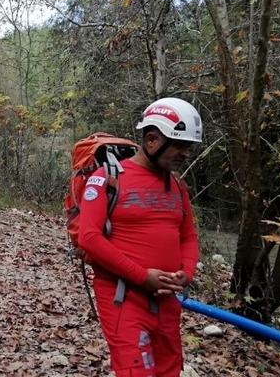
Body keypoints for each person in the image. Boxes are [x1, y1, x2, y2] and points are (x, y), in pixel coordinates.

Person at [77, 97, 202, 377]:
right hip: (123, 299)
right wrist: (142, 276)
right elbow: (89, 237)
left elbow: (189, 237)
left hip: (167, 299)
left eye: (189, 147)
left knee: (169, 370)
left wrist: (186, 273)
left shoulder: (178, 187)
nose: (186, 154)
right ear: (153, 140)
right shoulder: (107, 178)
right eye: (180, 145)